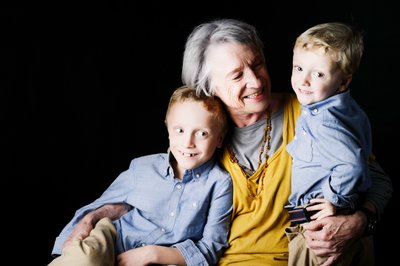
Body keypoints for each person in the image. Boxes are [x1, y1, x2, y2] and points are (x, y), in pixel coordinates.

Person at [52, 18, 393, 266]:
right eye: (236, 75)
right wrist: (94, 217)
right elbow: (154, 192)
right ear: (207, 86)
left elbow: (376, 178)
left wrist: (360, 219)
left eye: (257, 64)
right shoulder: (201, 136)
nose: (256, 80)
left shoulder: (311, 114)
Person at [49, 85, 233, 266]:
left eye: (202, 133)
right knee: (86, 259)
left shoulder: (220, 183)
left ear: (219, 139)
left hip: (166, 257)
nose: (188, 143)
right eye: (180, 130)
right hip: (114, 240)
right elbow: (99, 206)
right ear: (168, 130)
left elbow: (211, 246)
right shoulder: (143, 167)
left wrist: (151, 254)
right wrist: (68, 245)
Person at [284, 22, 374, 266]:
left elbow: (353, 166)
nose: (304, 80)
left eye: (318, 74)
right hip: (346, 226)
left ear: (343, 82)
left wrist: (335, 199)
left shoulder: (322, 120)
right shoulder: (349, 110)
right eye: (299, 68)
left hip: (320, 231)